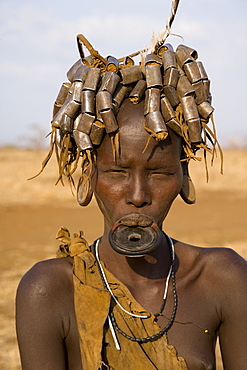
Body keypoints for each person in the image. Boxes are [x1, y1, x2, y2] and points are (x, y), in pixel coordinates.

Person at [16, 31, 247, 370]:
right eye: (117, 172)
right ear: (89, 177)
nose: (138, 196)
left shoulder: (223, 279)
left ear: (184, 178)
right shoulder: (50, 291)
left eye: (159, 173)